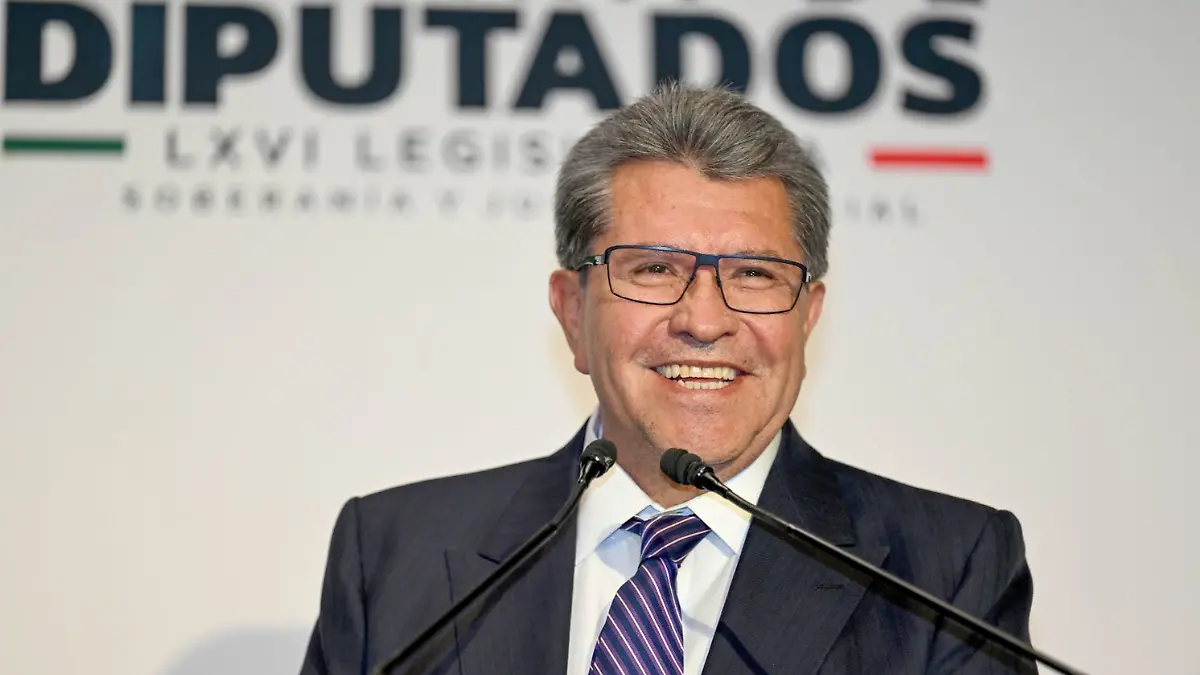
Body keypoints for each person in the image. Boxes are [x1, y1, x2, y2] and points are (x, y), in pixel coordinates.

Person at [298, 82, 1035, 675]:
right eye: (654, 269)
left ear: (808, 317)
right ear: (572, 311)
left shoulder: (943, 573)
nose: (704, 320)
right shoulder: (395, 554)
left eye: (753, 274)